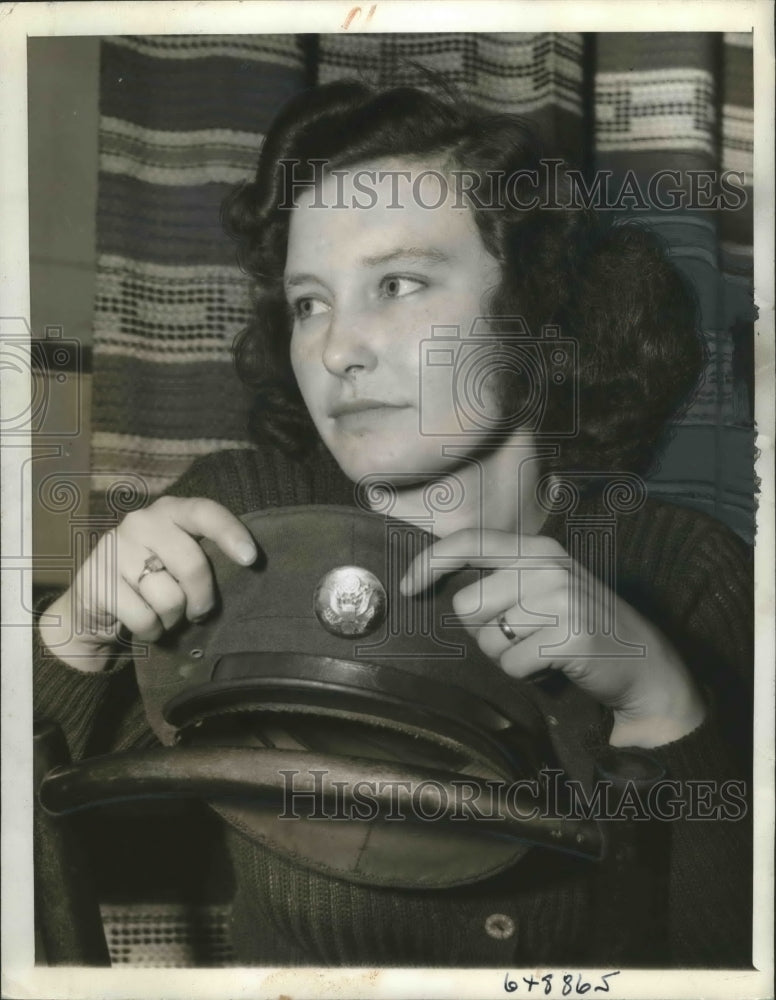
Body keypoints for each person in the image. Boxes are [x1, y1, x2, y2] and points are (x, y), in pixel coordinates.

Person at [35, 81, 753, 967]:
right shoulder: (240, 522)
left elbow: (731, 963)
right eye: (309, 302)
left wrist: (663, 707)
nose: (337, 349)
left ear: (540, 307)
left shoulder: (683, 569)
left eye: (398, 283)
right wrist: (71, 639)